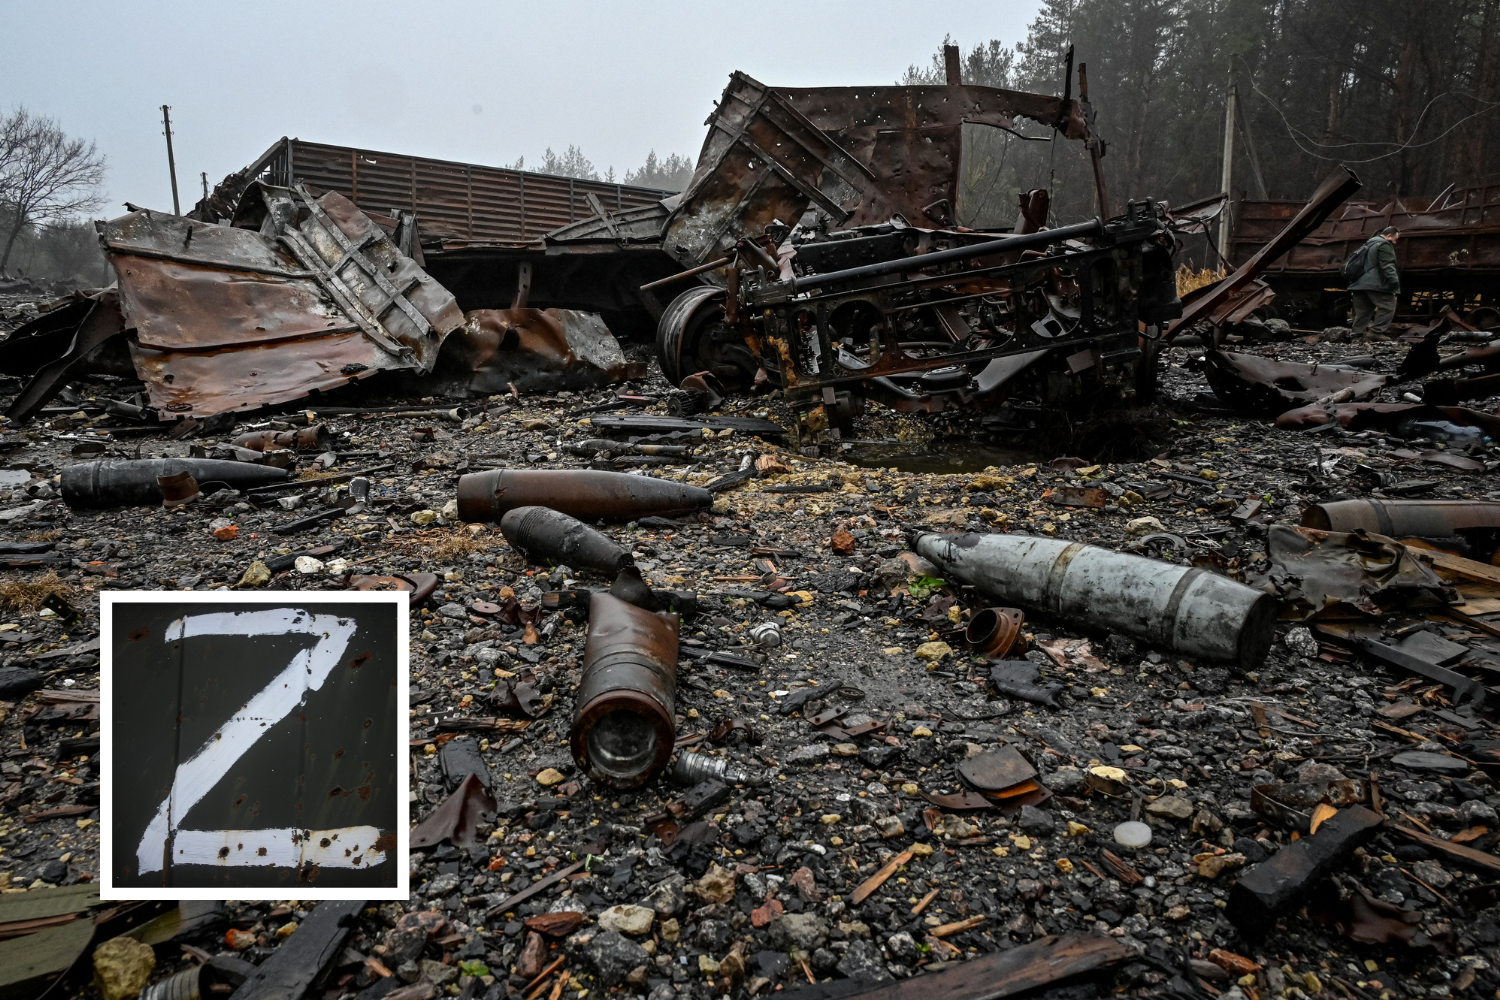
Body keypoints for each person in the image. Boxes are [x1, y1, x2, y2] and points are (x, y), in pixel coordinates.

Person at [1348, 226, 1401, 337]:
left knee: (1362, 311)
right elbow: (1387, 266)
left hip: (1358, 284)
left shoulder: (1367, 244)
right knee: (1388, 307)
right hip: (1375, 284)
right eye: (1395, 239)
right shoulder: (1384, 245)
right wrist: (1395, 284)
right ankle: (1376, 333)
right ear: (1389, 236)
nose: (1395, 242)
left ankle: (1357, 334)